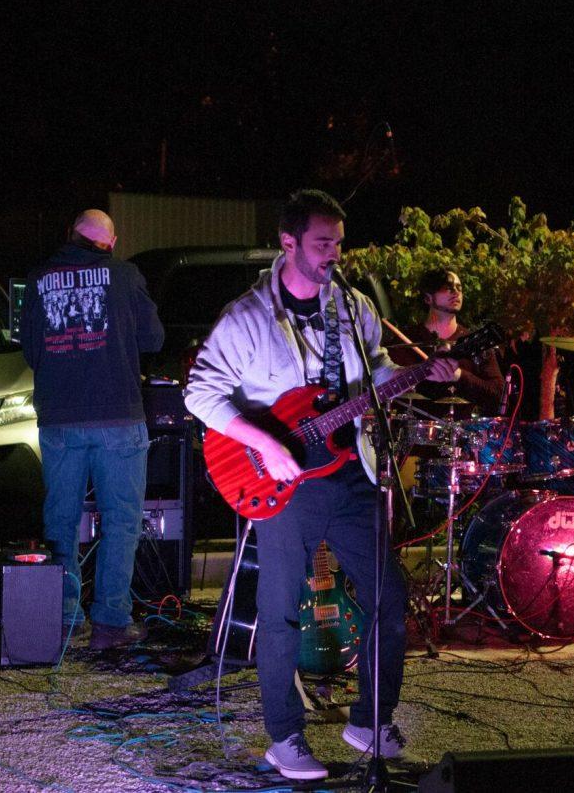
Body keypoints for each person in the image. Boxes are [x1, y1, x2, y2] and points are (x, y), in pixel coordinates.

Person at [184, 189, 457, 781]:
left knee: (388, 596)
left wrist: (415, 375)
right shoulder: (247, 316)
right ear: (288, 243)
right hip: (278, 479)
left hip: (348, 469)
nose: (335, 252)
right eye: (322, 243)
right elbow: (198, 393)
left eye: (338, 241)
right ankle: (284, 737)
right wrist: (267, 443)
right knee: (280, 611)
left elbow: (374, 369)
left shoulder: (353, 307)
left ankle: (370, 719)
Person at [20, 209, 165, 649]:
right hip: (118, 418)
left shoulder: (39, 278)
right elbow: (154, 340)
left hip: (60, 419)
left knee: (60, 520)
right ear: (111, 243)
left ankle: (64, 618)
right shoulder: (125, 275)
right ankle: (110, 623)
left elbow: (30, 349)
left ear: (70, 235)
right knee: (121, 521)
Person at [388, 267, 504, 415]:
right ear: (428, 298)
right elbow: (379, 387)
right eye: (448, 288)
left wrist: (459, 375)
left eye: (459, 288)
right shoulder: (404, 342)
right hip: (409, 434)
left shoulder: (475, 343)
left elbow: (499, 394)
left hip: (462, 434)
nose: (456, 292)